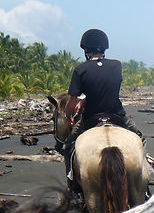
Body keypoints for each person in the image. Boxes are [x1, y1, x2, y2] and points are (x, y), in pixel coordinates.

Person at [61, 29, 142, 184]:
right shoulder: (117, 65)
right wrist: (84, 100)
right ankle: (143, 185)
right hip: (117, 115)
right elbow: (105, 88)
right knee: (139, 138)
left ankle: (73, 185)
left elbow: (72, 102)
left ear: (86, 49)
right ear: (104, 47)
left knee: (67, 146)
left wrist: (69, 115)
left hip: (90, 118)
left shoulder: (80, 70)